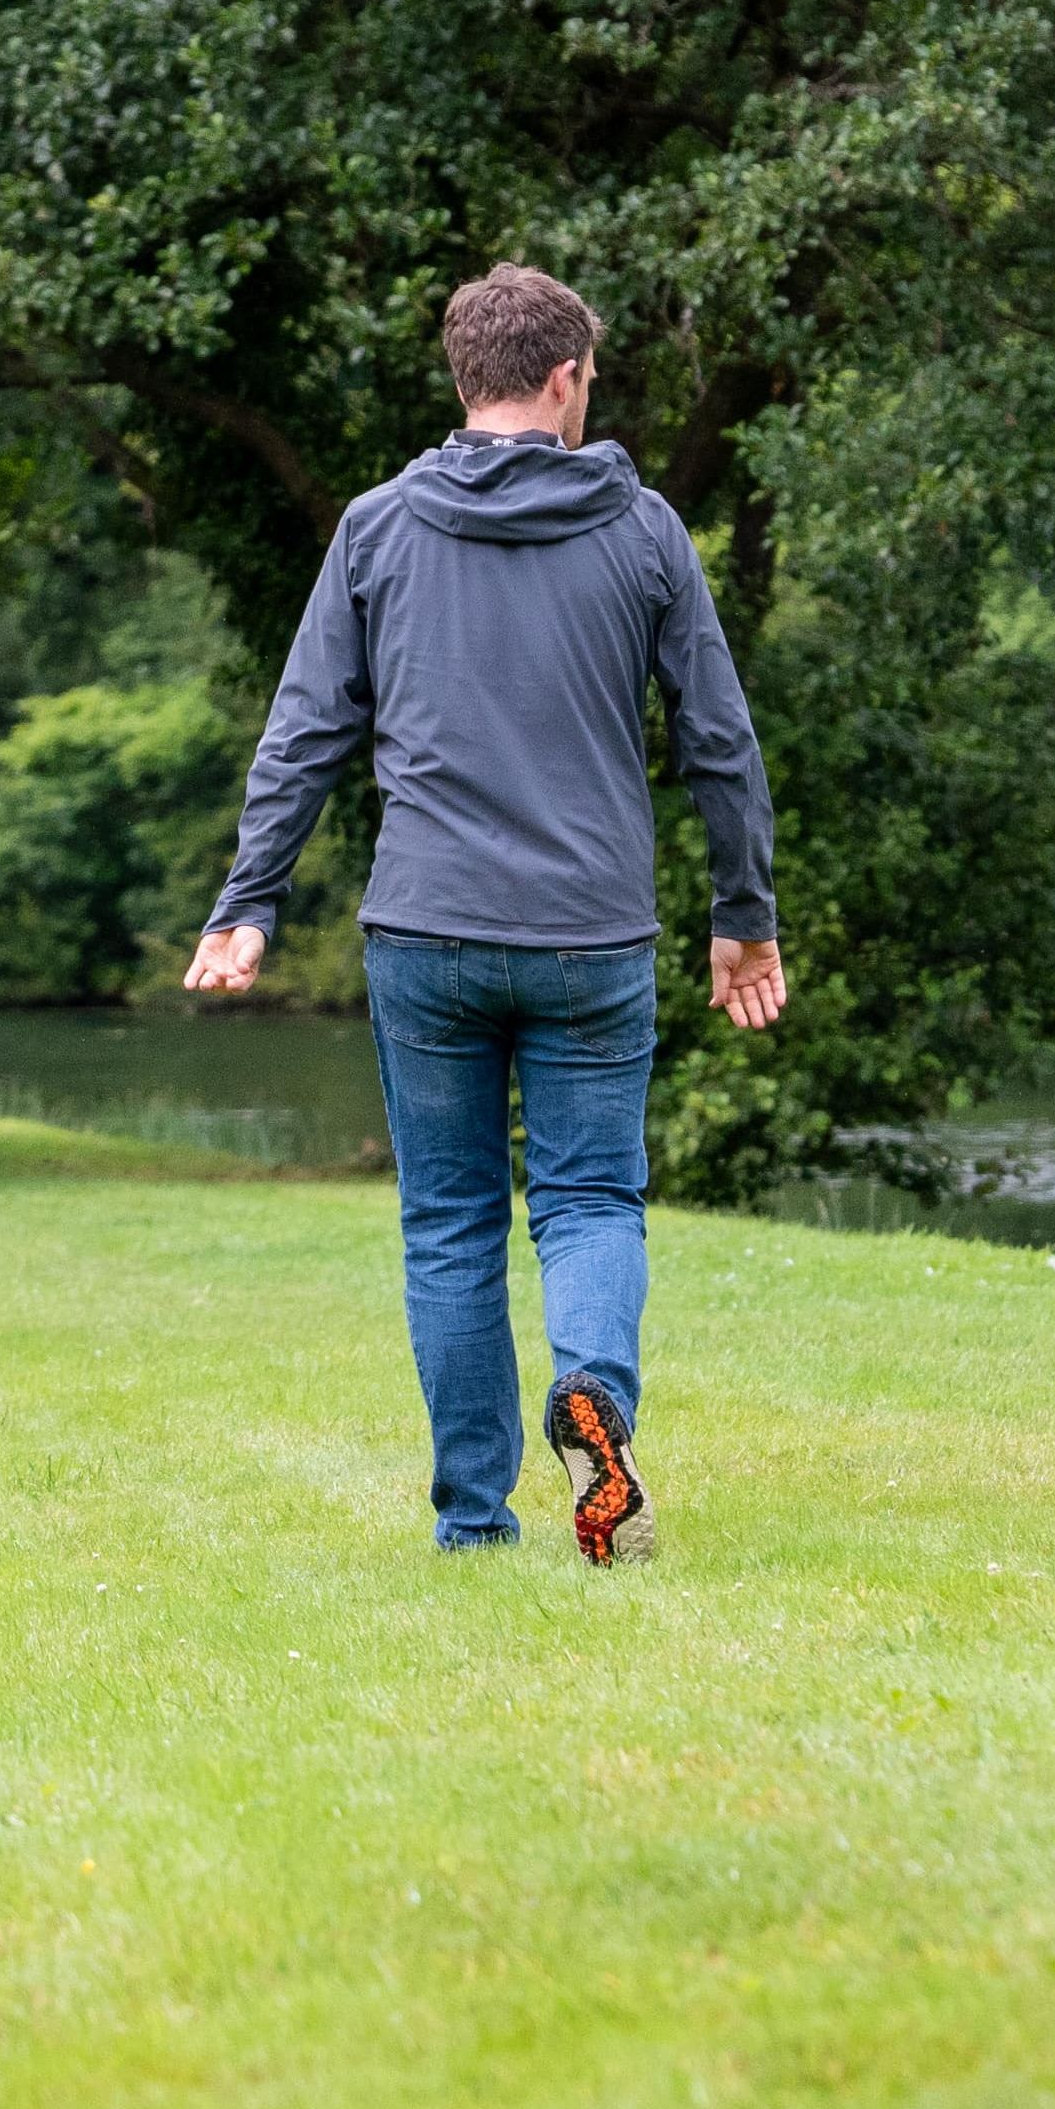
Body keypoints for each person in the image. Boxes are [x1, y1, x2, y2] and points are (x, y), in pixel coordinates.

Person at [187, 264, 784, 1565]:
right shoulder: (644, 534)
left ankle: (475, 1521)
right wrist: (745, 914)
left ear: (465, 379)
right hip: (592, 934)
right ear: (567, 377)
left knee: (451, 1218)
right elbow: (722, 742)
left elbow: (303, 734)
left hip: (428, 933)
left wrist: (249, 902)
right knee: (588, 1197)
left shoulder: (377, 528)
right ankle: (594, 1395)